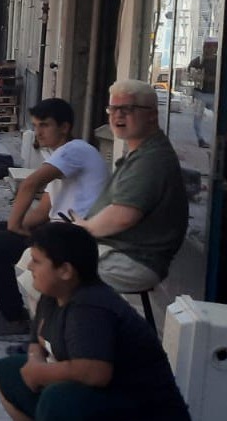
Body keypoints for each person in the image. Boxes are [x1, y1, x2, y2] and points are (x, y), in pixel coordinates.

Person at [0, 223, 191, 421]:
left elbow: (94, 372)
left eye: (37, 261)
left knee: (59, 400)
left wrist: (40, 373)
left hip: (144, 412)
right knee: (9, 372)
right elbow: (36, 341)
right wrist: (34, 362)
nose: (30, 266)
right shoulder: (52, 295)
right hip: (103, 399)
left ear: (65, 271)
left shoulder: (90, 306)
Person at [0, 99, 108, 340]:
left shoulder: (75, 150)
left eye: (45, 125)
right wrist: (20, 229)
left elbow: (29, 184)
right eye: (35, 125)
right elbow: (44, 210)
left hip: (76, 239)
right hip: (59, 231)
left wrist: (14, 226)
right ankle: (8, 308)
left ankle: (13, 318)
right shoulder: (59, 157)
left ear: (64, 127)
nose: (38, 132)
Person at [74, 79, 189, 293]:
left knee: (51, 275)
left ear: (152, 115)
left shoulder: (152, 159)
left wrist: (82, 231)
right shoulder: (141, 151)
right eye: (113, 109)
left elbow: (123, 216)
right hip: (116, 249)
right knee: (36, 259)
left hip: (134, 259)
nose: (117, 115)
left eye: (127, 109)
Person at [188, 39, 217, 149]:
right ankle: (201, 139)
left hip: (213, 94)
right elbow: (189, 75)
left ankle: (213, 139)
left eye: (212, 47)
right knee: (198, 117)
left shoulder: (218, 61)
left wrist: (211, 79)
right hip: (200, 94)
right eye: (207, 47)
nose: (209, 49)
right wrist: (198, 77)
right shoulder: (198, 61)